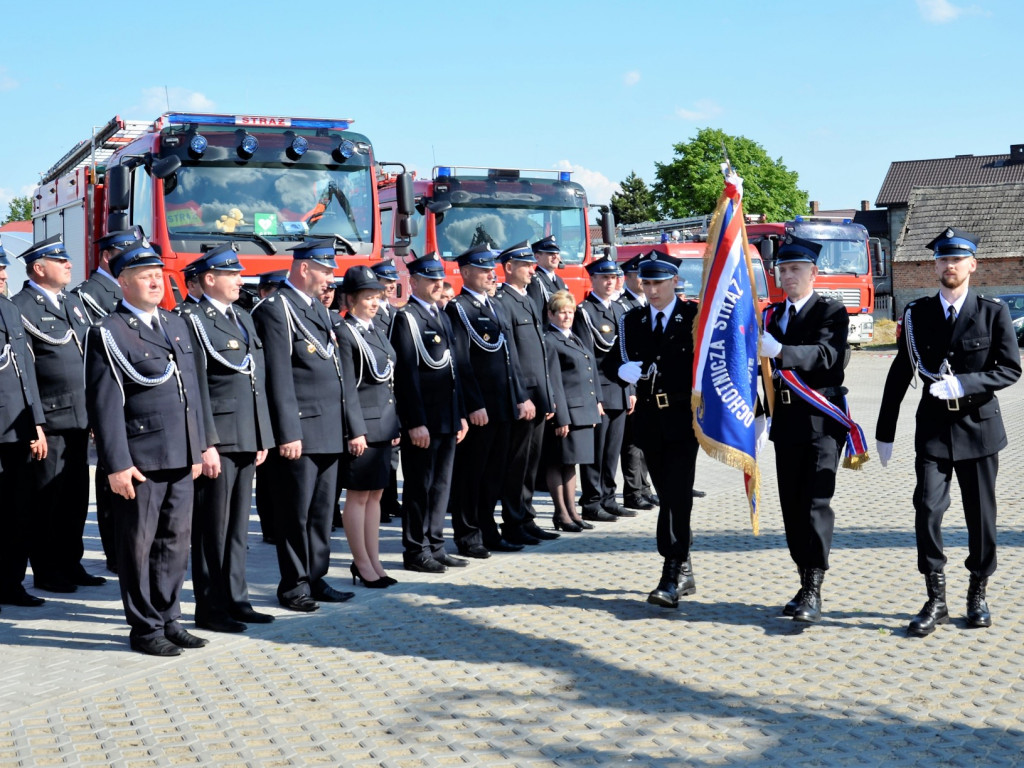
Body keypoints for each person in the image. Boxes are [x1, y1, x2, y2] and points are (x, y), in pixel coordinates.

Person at [876, 227, 1021, 636]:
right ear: (935, 266)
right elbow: (900, 371)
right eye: (943, 259)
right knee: (927, 509)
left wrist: (966, 384)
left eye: (957, 259)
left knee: (982, 517)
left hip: (979, 429)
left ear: (972, 265)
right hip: (934, 431)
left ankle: (978, 592)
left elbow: (1010, 369)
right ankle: (936, 598)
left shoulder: (992, 312)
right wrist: (885, 430)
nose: (949, 265)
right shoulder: (917, 314)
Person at [84, 237, 209, 655]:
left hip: (180, 455)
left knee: (175, 541)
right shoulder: (109, 332)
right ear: (123, 282)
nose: (156, 283)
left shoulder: (175, 324)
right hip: (141, 460)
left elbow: (193, 392)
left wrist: (199, 447)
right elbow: (105, 405)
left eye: (158, 275)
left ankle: (170, 617)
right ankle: (144, 628)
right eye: (145, 276)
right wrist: (117, 464)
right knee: (138, 547)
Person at [251, 239, 353, 612]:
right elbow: (278, 376)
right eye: (325, 271)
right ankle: (294, 586)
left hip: (328, 427)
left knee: (322, 512)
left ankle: (315, 576)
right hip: (301, 431)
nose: (330, 279)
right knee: (295, 513)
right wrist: (288, 432)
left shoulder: (316, 308)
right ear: (305, 268)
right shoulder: (276, 309)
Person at [179, 243, 275, 633]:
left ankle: (237, 598)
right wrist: (205, 443)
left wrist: (262, 434)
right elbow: (196, 387)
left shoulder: (242, 316)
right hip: (219, 439)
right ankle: (211, 606)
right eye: (232, 274)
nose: (239, 280)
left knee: (237, 528)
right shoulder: (192, 319)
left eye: (239, 274)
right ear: (209, 278)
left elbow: (255, 380)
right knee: (211, 529)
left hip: (246, 435)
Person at [758, 235, 850, 623]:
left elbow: (829, 356)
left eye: (795, 269)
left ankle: (814, 586)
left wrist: (782, 351)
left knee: (815, 504)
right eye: (782, 270)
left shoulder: (830, 311)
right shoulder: (771, 315)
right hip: (786, 422)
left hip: (821, 421)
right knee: (792, 507)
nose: (788, 276)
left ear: (813, 273)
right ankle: (803, 580)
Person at [12, 235, 102, 594]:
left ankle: (70, 562)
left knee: (75, 497)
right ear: (38, 268)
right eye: (59, 261)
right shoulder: (21, 307)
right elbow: (25, 370)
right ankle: (47, 569)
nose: (68, 265)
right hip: (50, 420)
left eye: (67, 260)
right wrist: (35, 423)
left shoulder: (72, 303)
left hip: (79, 416)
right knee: (47, 498)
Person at [618, 251, 700, 608]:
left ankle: (672, 571)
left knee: (677, 494)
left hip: (682, 419)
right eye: (646, 283)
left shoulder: (694, 316)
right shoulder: (632, 319)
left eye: (658, 283)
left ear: (675, 282)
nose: (651, 290)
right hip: (649, 420)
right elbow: (616, 358)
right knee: (668, 494)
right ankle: (684, 567)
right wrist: (621, 371)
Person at [445, 244, 533, 558]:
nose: (490, 275)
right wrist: (473, 404)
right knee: (472, 474)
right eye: (483, 270)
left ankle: (488, 530)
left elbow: (510, 358)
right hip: (481, 407)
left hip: (503, 404)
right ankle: (468, 535)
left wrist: (520, 396)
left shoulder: (495, 306)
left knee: (495, 473)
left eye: (491, 269)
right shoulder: (458, 309)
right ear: (465, 272)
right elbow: (461, 362)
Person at [391, 254, 469, 573]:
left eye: (440, 279)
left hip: (447, 416)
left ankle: (435, 545)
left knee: (441, 486)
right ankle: (415, 550)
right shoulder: (406, 318)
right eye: (431, 279)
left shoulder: (441, 316)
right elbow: (405, 376)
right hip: (424, 420)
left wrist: (460, 413)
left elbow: (454, 369)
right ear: (414, 281)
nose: (438, 284)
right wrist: (415, 422)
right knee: (419, 487)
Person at [73, 227, 140, 572]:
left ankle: (129, 548)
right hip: (111, 395)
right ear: (106, 257)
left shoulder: (132, 290)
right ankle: (116, 552)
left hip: (138, 397)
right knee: (111, 474)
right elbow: (87, 356)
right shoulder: (88, 295)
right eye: (126, 255)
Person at [334, 265, 402, 588]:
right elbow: (347, 386)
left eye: (377, 296)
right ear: (351, 300)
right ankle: (361, 563)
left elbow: (388, 379)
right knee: (358, 497)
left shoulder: (376, 329)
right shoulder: (346, 332)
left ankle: (374, 561)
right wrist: (354, 430)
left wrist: (394, 424)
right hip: (363, 427)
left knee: (376, 495)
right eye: (367, 297)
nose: (375, 303)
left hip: (383, 424)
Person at [494, 241, 560, 545]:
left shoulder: (529, 300)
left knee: (532, 462)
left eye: (533, 265)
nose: (533, 271)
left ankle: (526, 516)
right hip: (523, 397)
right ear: (509, 268)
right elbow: (511, 356)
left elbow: (540, 352)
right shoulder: (503, 301)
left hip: (538, 395)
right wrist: (522, 397)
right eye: (526, 265)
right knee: (517, 463)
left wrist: (547, 394)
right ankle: (512, 521)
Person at [0, 236, 49, 609]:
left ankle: (11, 584)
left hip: (17, 429)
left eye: (3, 269)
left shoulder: (9, 308)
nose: (3, 275)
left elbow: (25, 371)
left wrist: (37, 423)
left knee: (17, 511)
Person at [574, 255, 635, 522]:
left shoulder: (620, 310)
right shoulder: (585, 311)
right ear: (593, 280)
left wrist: (631, 390)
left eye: (613, 277)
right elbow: (586, 358)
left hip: (620, 391)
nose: (610, 282)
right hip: (600, 392)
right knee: (595, 452)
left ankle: (609, 498)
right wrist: (594, 397)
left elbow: (628, 354)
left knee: (612, 452)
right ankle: (591, 502)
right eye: (604, 278)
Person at [544, 291, 602, 532]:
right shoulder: (550, 340)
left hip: (582, 411)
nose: (567, 316)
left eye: (570, 312)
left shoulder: (573, 337)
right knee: (557, 463)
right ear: (551, 314)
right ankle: (561, 513)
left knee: (571, 463)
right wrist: (561, 418)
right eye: (562, 312)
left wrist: (597, 401)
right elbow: (554, 382)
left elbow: (590, 369)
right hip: (567, 412)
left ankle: (573, 512)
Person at [615, 254, 657, 511]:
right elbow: (622, 354)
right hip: (631, 385)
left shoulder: (649, 305)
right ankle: (633, 491)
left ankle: (645, 487)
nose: (643, 282)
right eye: (639, 276)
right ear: (628, 278)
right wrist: (631, 388)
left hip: (649, 385)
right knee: (632, 442)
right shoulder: (622, 307)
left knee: (646, 440)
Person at [371, 259, 402, 522]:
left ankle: (390, 499)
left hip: (396, 386)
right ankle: (381, 502)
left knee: (394, 451)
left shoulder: (395, 313)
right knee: (382, 451)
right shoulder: (372, 315)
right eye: (386, 281)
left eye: (393, 281)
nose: (391, 286)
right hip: (380, 385)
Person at [526, 236, 567, 316]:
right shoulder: (534, 281)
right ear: (537, 257)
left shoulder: (559, 280)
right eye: (551, 253)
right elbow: (537, 315)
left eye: (557, 253)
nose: (556, 257)